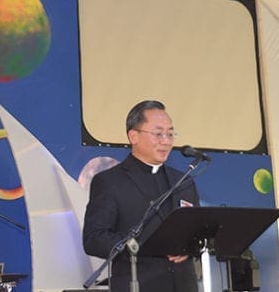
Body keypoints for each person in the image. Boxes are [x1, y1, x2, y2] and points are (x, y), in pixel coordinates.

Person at [83, 100, 200, 292]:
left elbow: (196, 233)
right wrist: (141, 245)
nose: (166, 140)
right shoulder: (110, 181)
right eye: (158, 133)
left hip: (184, 285)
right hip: (137, 284)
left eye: (170, 133)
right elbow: (94, 239)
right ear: (133, 136)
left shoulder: (184, 181)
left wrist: (189, 248)